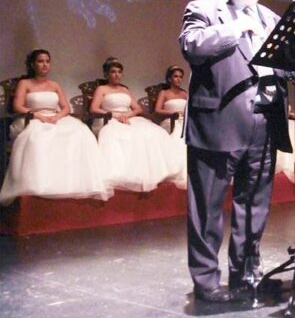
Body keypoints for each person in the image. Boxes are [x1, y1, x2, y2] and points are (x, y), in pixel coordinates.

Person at [179, 0, 291, 303]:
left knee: (253, 206)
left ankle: (245, 275)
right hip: (217, 124)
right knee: (207, 208)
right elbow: (191, 45)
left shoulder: (271, 17)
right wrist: (236, 27)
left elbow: (284, 65)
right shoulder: (203, 9)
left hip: (263, 124)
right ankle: (207, 281)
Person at [0, 50, 110, 205]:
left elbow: (65, 107)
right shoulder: (25, 83)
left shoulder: (54, 85)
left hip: (55, 117)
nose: (44, 65)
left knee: (81, 133)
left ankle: (71, 181)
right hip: (32, 117)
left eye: (47, 61)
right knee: (39, 137)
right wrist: (38, 116)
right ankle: (39, 182)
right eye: (40, 61)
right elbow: (18, 106)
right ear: (32, 64)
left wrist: (57, 117)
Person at [90, 57, 181, 192]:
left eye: (119, 72)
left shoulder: (125, 90)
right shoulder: (101, 89)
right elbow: (94, 109)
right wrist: (115, 115)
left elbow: (138, 109)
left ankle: (152, 172)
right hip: (109, 118)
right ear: (107, 74)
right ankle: (125, 174)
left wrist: (128, 115)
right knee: (118, 135)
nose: (117, 75)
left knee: (153, 132)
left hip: (128, 117)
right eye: (113, 72)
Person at [154, 65, 188, 189]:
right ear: (169, 79)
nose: (178, 79)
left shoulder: (184, 93)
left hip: (184, 120)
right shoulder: (164, 93)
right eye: (175, 76)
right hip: (170, 120)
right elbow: (157, 110)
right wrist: (172, 114)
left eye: (180, 77)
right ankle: (174, 169)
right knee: (179, 134)